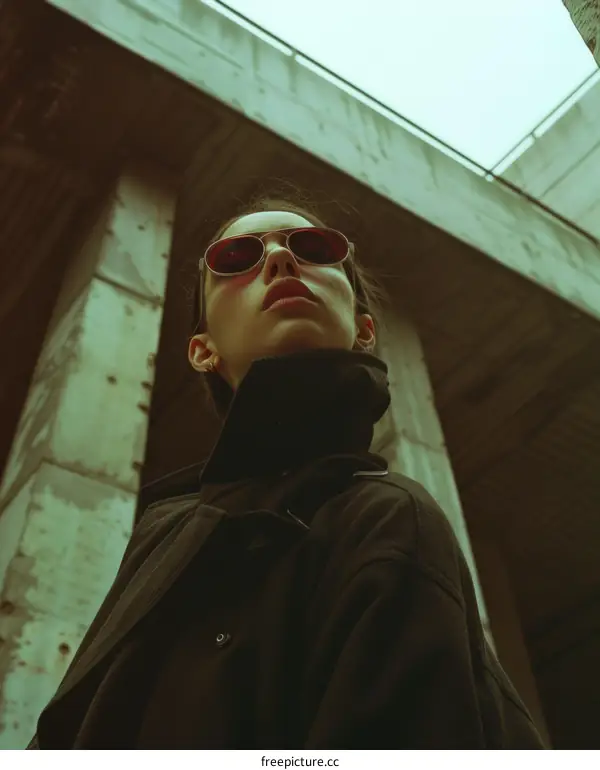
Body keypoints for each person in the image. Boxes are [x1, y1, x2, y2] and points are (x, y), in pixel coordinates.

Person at [28, 193, 546, 749]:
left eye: (313, 247)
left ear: (364, 329)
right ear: (202, 351)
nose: (278, 260)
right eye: (235, 258)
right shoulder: (159, 536)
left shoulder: (388, 518)